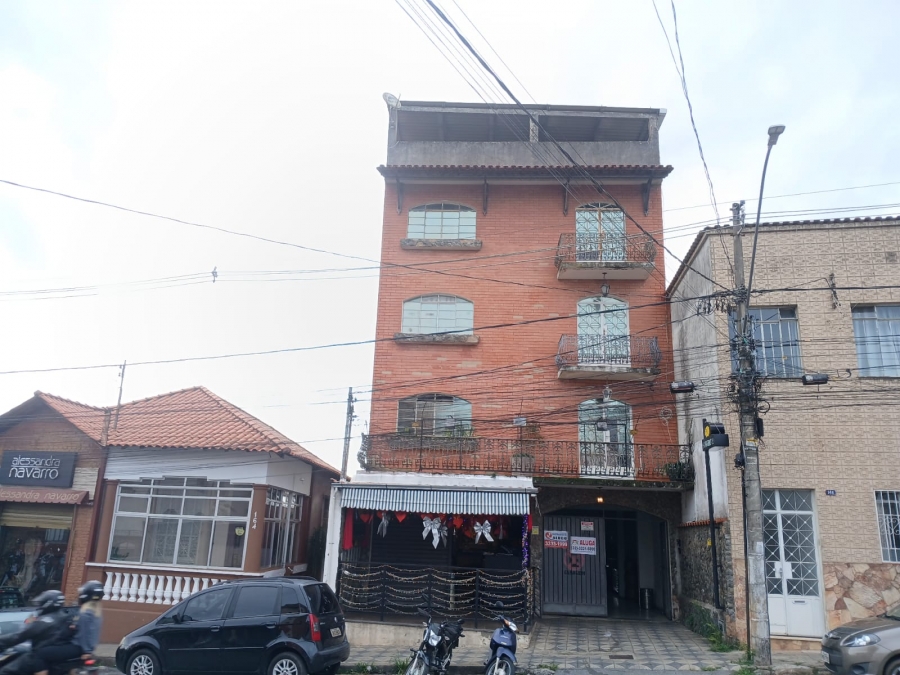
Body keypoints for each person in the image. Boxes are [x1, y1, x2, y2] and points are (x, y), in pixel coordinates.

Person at [32, 581, 103, 675]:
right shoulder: (96, 613)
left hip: (77, 647)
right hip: (83, 648)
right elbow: (91, 634)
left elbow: (83, 634)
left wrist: (87, 651)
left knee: (40, 654)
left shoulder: (85, 614)